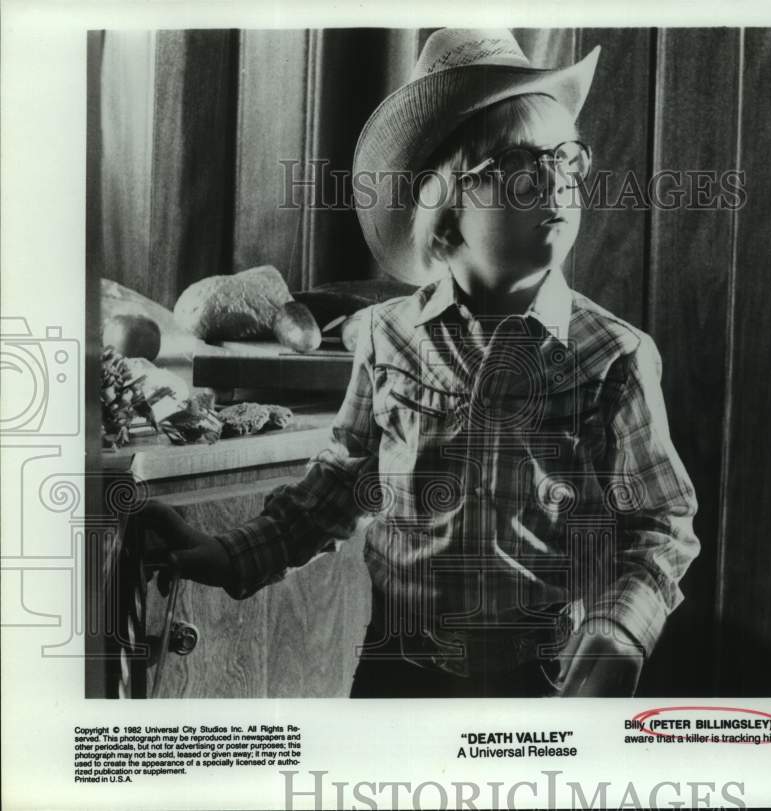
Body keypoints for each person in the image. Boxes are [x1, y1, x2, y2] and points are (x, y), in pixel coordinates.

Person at [142, 28, 700, 698]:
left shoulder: (613, 357)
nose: (554, 184)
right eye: (521, 167)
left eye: (566, 160)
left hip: (542, 685)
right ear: (445, 207)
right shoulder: (386, 337)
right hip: (397, 676)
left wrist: (619, 633)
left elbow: (658, 528)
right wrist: (225, 553)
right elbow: (331, 494)